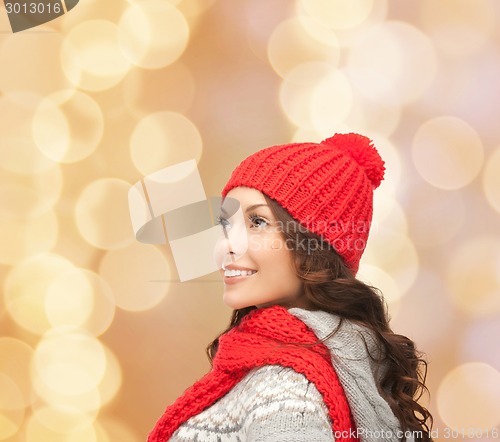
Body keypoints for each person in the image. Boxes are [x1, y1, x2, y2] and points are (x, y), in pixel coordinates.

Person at [148, 133, 433, 442]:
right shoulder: (313, 361)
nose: (227, 245)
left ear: (313, 247)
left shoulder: (286, 391)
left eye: (257, 222)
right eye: (226, 225)